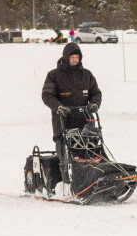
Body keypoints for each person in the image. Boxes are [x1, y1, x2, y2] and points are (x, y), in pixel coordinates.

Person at [41, 42, 102, 182]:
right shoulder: (53, 75)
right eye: (72, 57)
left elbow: (96, 93)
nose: (74, 60)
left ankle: (92, 180)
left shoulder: (87, 75)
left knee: (90, 152)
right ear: (66, 57)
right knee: (66, 154)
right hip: (63, 121)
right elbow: (47, 95)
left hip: (85, 122)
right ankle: (67, 183)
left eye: (77, 57)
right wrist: (58, 107)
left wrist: (94, 104)